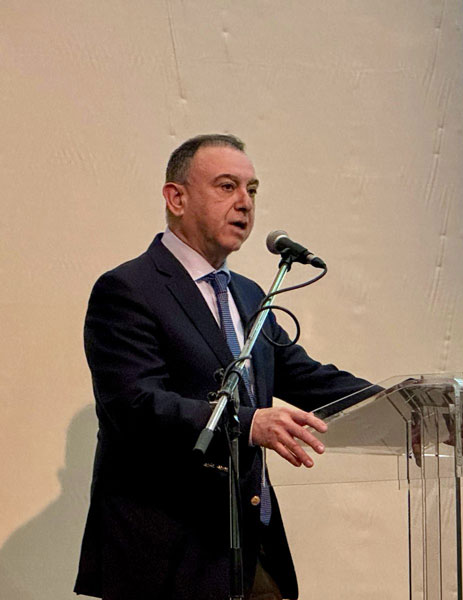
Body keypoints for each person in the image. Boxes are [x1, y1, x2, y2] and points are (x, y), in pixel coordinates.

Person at [74, 134, 373, 600]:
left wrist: (405, 405)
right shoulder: (128, 289)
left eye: (252, 190)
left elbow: (305, 376)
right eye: (227, 186)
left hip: (248, 551)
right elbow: (135, 406)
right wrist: (249, 423)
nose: (244, 203)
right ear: (176, 198)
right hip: (165, 559)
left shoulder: (248, 294)